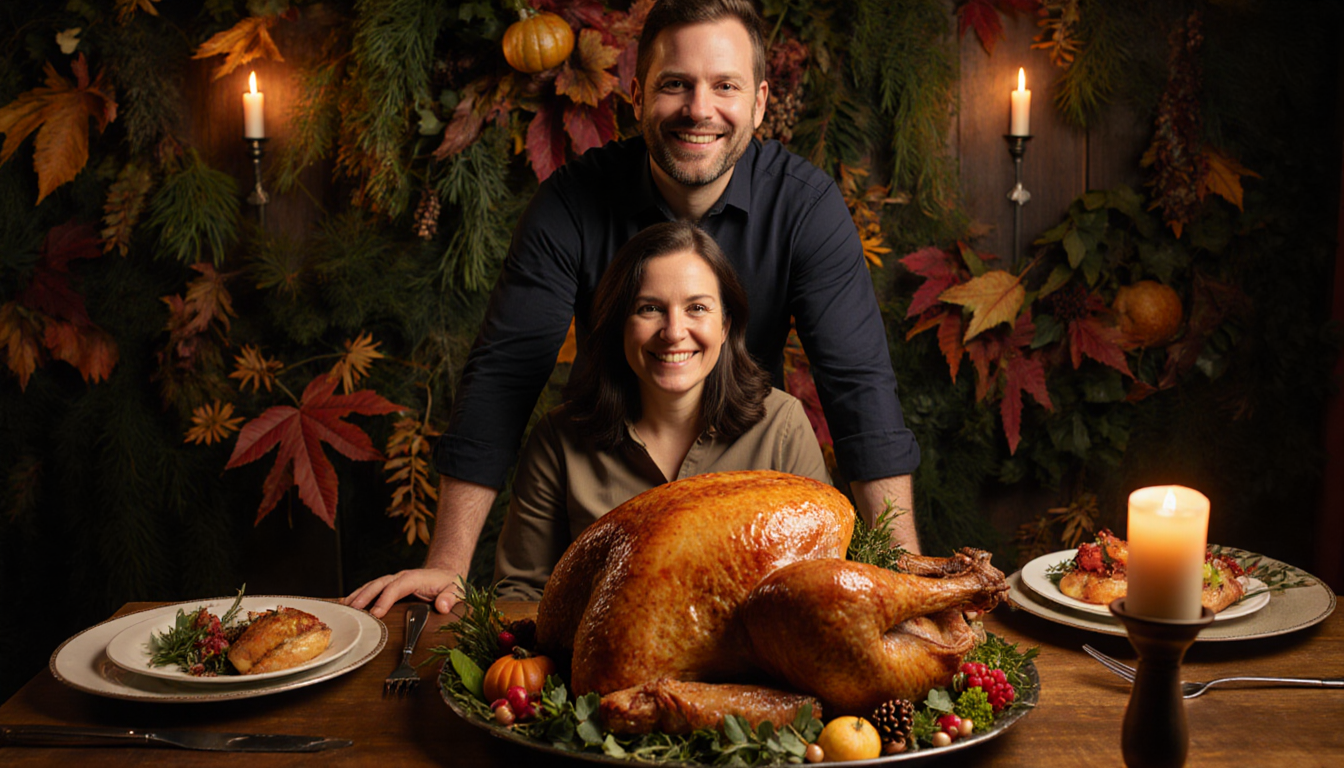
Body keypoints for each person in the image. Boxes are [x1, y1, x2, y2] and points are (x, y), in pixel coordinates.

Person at [345, 0, 919, 618]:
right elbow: (504, 376)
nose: (700, 109)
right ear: (639, 94)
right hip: (603, 507)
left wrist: (909, 580)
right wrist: (448, 564)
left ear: (757, 102)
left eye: (724, 85)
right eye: (676, 85)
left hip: (746, 505)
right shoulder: (570, 202)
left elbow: (861, 391)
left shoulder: (806, 207)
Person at [493, 221, 829, 599]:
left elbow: (823, 578)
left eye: (697, 308)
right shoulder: (560, 440)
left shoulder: (782, 428)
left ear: (725, 325)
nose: (673, 331)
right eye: (649, 308)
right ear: (621, 323)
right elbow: (520, 593)